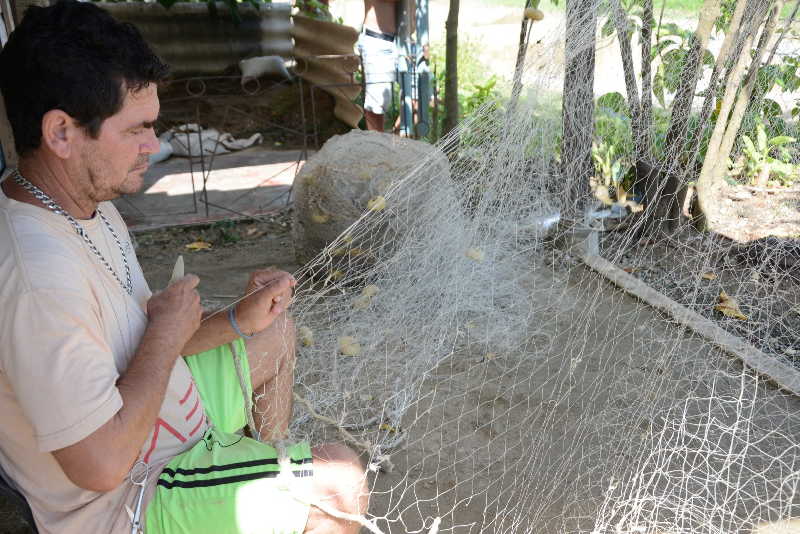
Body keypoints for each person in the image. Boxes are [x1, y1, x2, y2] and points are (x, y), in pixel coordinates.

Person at [0, 2, 368, 533]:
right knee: (337, 482)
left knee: (274, 332)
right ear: (61, 132)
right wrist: (166, 332)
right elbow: (100, 466)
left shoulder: (86, 203)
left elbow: (135, 343)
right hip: (131, 495)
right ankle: (277, 503)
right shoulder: (37, 279)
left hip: (160, 421)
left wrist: (236, 320)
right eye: (136, 130)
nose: (154, 145)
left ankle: (258, 491)